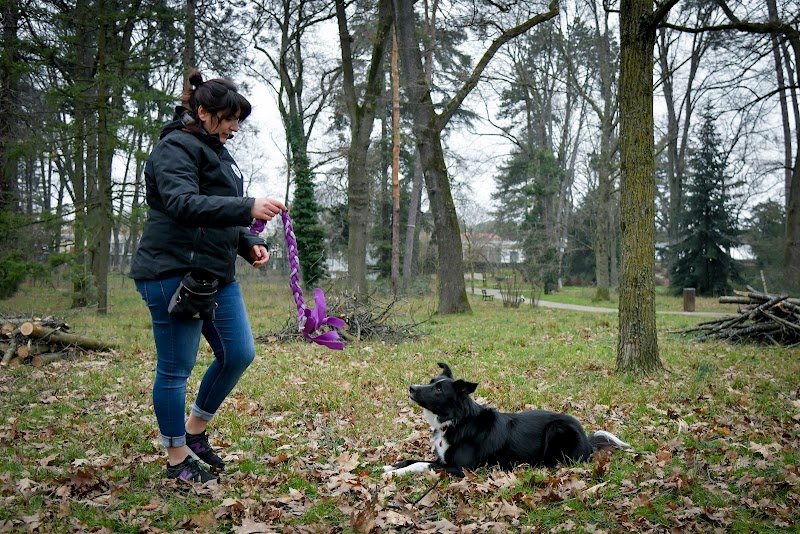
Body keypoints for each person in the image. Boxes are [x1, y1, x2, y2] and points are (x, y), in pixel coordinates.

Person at [130, 69, 287, 483]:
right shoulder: (174, 148)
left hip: (214, 273)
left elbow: (216, 209)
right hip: (171, 271)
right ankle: (177, 457)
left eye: (239, 120)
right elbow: (183, 203)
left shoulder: (217, 150)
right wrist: (247, 207)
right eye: (229, 118)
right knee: (176, 368)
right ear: (202, 112)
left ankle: (195, 431)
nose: (235, 128)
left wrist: (244, 242)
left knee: (238, 353)